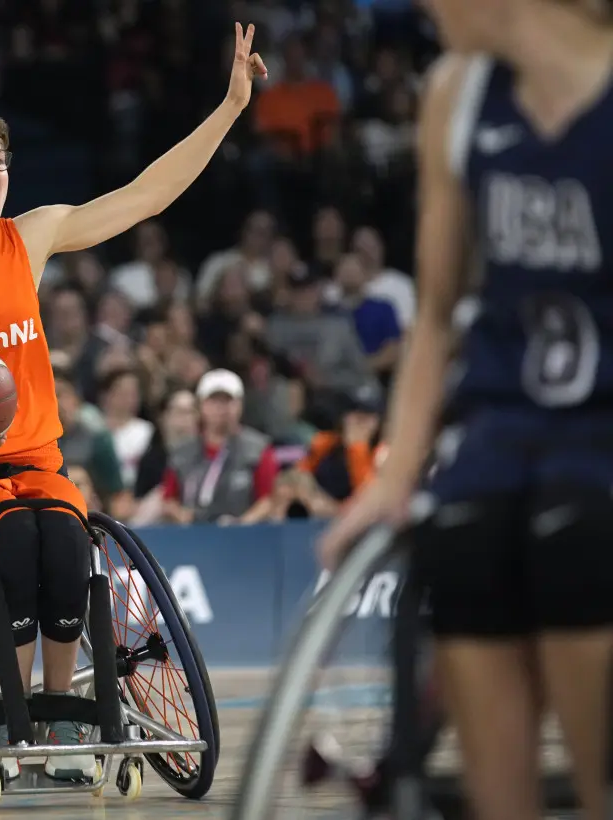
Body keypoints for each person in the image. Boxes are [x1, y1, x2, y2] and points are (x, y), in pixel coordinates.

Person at [0, 23, 265, 783]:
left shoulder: (31, 238)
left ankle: (55, 721)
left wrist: (231, 106)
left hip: (38, 462)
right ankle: (20, 729)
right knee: (15, 536)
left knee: (69, 540)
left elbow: (146, 196)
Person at [318, 2, 613, 818]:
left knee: (579, 542)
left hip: (600, 427)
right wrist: (396, 474)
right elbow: (439, 311)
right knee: (461, 542)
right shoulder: (457, 93)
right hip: (503, 423)